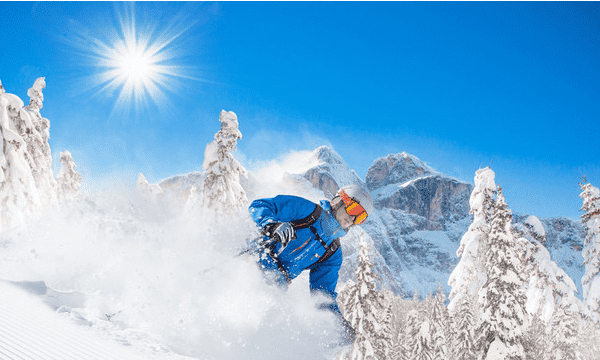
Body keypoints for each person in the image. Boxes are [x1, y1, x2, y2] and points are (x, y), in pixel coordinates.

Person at [247, 184, 374, 345]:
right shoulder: (307, 212)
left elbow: (322, 295)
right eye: (354, 210)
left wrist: (337, 324)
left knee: (261, 336)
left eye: (361, 217)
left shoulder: (332, 253)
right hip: (251, 262)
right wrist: (271, 225)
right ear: (339, 201)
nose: (353, 219)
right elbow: (260, 205)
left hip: (272, 288)